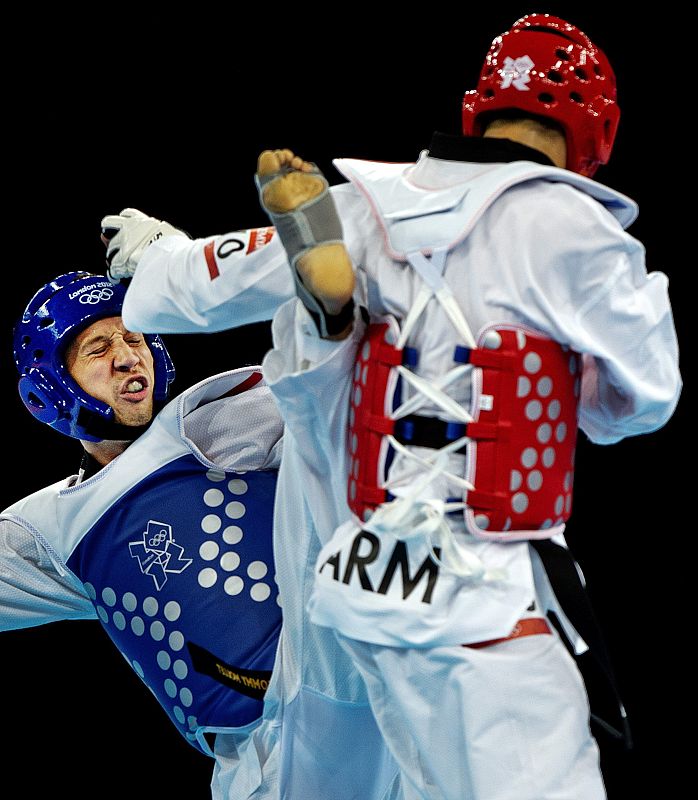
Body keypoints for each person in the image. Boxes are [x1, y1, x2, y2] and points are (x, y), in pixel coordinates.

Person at [98, 13, 681, 798]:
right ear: (596, 133)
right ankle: (330, 328)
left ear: (478, 106)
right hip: (473, 582)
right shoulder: (574, 228)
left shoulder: (368, 199)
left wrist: (155, 258)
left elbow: (200, 289)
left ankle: (327, 326)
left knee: (333, 775)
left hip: (352, 566)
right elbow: (640, 404)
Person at [0, 270, 286, 800]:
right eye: (98, 348)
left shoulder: (213, 421)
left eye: (136, 339)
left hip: (360, 682)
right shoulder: (49, 531)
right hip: (258, 765)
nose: (129, 357)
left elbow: (348, 391)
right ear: (49, 389)